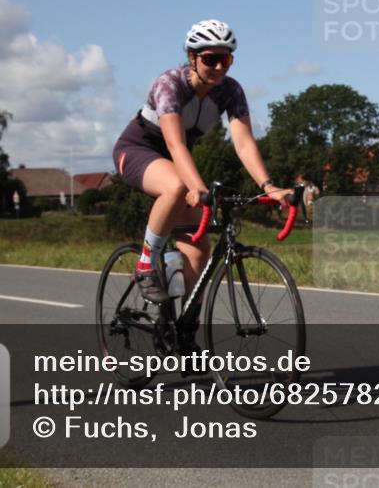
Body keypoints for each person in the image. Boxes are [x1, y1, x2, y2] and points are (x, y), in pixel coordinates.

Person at [112, 19, 292, 317]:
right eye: (211, 59)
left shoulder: (230, 91)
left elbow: (244, 143)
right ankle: (145, 264)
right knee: (176, 186)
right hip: (137, 151)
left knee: (198, 252)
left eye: (226, 59)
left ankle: (186, 327)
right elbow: (176, 145)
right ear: (192, 58)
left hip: (177, 162)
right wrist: (197, 187)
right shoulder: (170, 84)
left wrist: (268, 186)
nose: (220, 67)